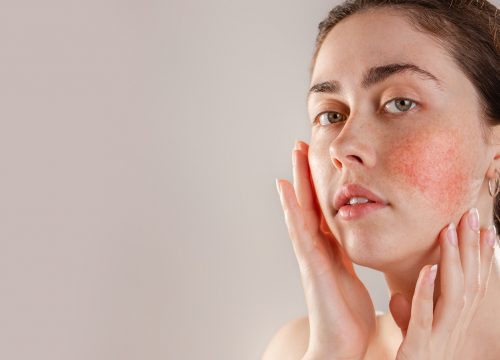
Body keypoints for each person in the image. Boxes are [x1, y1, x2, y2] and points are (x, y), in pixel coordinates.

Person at [262, 0, 500, 359]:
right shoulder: (300, 349)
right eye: (330, 115)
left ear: (496, 151)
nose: (342, 146)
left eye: (400, 103)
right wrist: (333, 349)